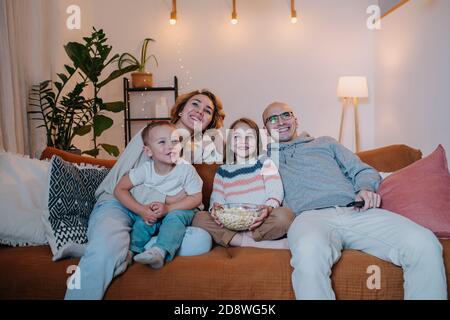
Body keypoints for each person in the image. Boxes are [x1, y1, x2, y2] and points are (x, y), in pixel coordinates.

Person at [263, 102, 447, 300]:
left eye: (285, 115)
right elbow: (234, 174)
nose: (281, 121)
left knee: (424, 243)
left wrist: (365, 188)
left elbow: (363, 170)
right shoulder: (263, 158)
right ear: (265, 128)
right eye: (273, 119)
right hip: (309, 218)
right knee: (308, 253)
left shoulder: (326, 143)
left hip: (356, 210)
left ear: (295, 120)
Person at [65, 89, 225, 300]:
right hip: (119, 205)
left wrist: (176, 204)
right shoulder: (152, 133)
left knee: (201, 241)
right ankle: (113, 246)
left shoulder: (192, 152)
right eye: (195, 104)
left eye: (207, 111)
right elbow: (121, 183)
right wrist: (169, 199)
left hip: (156, 218)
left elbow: (192, 196)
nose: (199, 112)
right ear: (181, 108)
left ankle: (129, 247)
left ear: (209, 122)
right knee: (104, 252)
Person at [193, 118, 294, 248]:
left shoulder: (265, 162)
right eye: (236, 137)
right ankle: (251, 243)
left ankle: (242, 239)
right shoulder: (223, 171)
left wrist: (269, 207)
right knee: (199, 218)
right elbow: (217, 198)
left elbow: (275, 190)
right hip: (231, 223)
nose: (243, 141)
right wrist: (215, 209)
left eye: (249, 137)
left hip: (260, 220)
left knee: (285, 216)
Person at [114, 121, 203, 269]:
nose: (170, 146)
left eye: (174, 141)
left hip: (183, 209)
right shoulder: (145, 170)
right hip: (157, 211)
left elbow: (196, 198)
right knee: (145, 221)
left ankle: (160, 251)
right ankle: (130, 252)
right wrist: (142, 211)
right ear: (148, 151)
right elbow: (119, 190)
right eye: (162, 142)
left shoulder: (186, 170)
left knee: (174, 218)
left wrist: (169, 208)